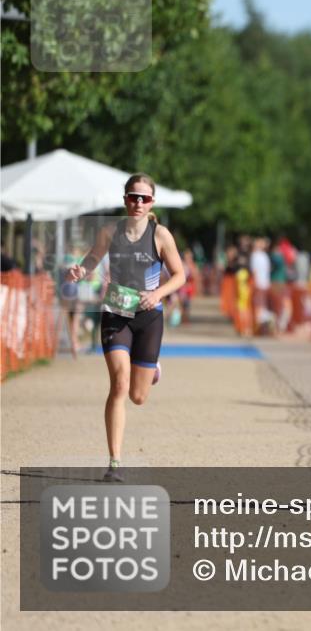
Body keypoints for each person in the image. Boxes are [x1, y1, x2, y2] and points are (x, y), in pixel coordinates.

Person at [67, 174, 185, 482]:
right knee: (119, 384)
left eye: (144, 198)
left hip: (148, 317)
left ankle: (151, 366)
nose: (138, 203)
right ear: (125, 199)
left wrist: (157, 294)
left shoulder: (161, 236)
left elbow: (180, 275)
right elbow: (92, 259)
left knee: (138, 396)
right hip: (116, 314)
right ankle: (115, 463)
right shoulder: (110, 232)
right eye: (133, 197)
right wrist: (81, 270)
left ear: (152, 203)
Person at [250, 237, 273, 334]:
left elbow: (268, 270)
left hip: (264, 283)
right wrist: (255, 283)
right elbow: (254, 270)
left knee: (262, 305)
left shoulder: (264, 255)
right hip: (259, 283)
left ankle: (263, 326)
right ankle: (258, 327)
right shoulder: (255, 255)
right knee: (259, 305)